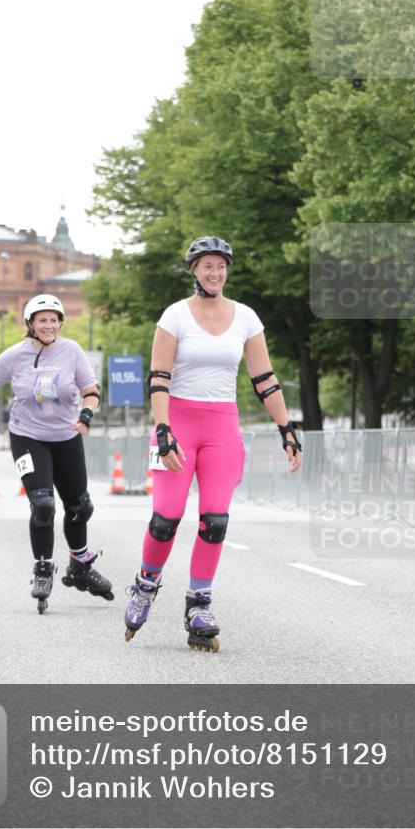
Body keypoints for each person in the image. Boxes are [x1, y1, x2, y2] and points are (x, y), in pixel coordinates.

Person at [124, 236, 302, 651]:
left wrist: (286, 428)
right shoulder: (174, 316)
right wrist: (164, 429)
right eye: (207, 265)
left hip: (222, 424)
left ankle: (198, 603)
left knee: (215, 521)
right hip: (179, 423)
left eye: (220, 266)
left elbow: (265, 379)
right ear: (193, 271)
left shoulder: (245, 318)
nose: (215, 272)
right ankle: (146, 584)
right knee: (166, 518)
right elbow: (159, 379)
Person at [0, 294, 113, 613]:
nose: (48, 325)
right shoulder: (14, 355)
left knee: (80, 507)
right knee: (43, 504)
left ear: (60, 322)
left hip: (66, 435)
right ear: (30, 324)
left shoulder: (73, 351)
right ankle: (43, 569)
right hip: (27, 436)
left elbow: (91, 392)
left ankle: (81, 565)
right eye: (42, 320)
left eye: (53, 319)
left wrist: (87, 415)